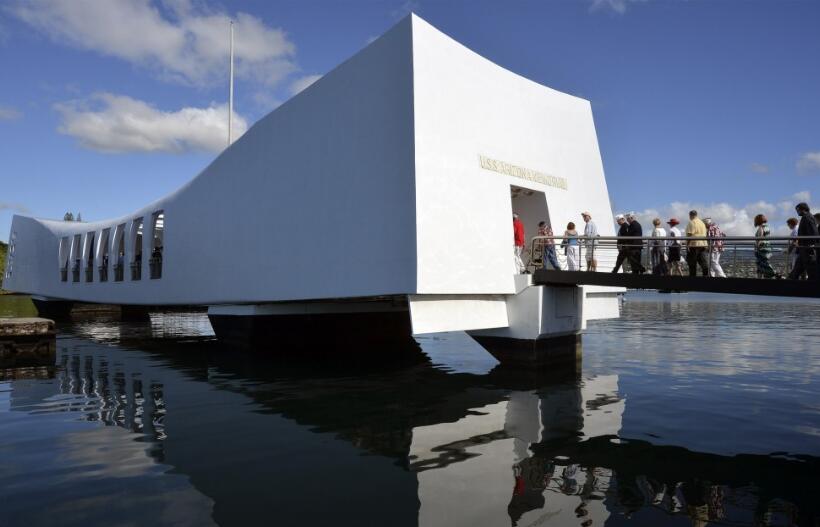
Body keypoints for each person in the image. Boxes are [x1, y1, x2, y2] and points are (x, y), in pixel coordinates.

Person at [787, 203, 818, 280]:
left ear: (803, 209)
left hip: (806, 249)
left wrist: (812, 244)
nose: (797, 212)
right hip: (804, 249)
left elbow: (813, 232)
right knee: (797, 270)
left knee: (810, 271)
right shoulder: (807, 217)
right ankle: (789, 285)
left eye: (798, 210)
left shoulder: (807, 217)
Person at [685, 210, 709, 277]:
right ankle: (706, 277)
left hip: (694, 245)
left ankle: (693, 280)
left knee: (692, 264)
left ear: (690, 215)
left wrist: (687, 245)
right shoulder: (702, 223)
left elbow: (690, 234)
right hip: (703, 244)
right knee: (703, 263)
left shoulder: (692, 222)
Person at [753, 214, 778, 279]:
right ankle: (763, 278)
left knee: (761, 264)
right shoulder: (767, 227)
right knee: (762, 264)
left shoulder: (761, 227)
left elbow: (760, 238)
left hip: (761, 249)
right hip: (767, 248)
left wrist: (757, 246)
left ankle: (774, 273)